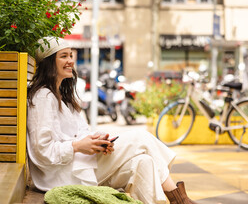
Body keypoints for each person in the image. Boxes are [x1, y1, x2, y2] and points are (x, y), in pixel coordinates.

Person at [26, 38, 197, 204]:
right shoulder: (43, 97)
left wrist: (99, 141)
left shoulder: (63, 98)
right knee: (141, 138)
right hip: (62, 174)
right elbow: (43, 150)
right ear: (49, 62)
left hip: (79, 164)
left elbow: (81, 132)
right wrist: (77, 146)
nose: (70, 60)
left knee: (143, 163)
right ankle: (179, 200)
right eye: (63, 56)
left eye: (71, 55)